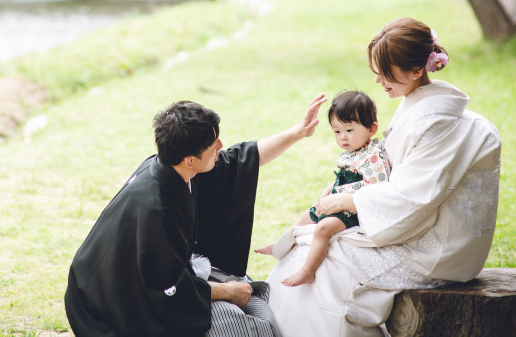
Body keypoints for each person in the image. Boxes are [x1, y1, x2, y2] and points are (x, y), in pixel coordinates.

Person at [265, 17, 501, 336]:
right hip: (408, 224)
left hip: (434, 247)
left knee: (324, 271)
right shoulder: (417, 107)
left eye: (385, 73)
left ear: (417, 71)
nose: (378, 81)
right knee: (305, 250)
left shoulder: (437, 123)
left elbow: (412, 198)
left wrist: (346, 200)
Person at [65, 94, 327, 337]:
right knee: (245, 326)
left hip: (139, 280)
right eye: (214, 144)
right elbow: (166, 288)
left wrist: (298, 132)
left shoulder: (175, 166)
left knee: (251, 296)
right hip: (106, 309)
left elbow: (243, 158)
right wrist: (227, 291)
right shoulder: (157, 208)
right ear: (190, 159)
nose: (221, 146)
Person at [256, 91, 389, 287]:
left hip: (354, 210)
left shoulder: (373, 156)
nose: (342, 138)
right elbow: (342, 179)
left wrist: (341, 197)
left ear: (371, 129)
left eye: (349, 130)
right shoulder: (352, 152)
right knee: (306, 216)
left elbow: (376, 188)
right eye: (337, 131)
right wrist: (329, 191)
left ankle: (308, 271)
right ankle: (282, 245)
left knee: (322, 229)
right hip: (339, 201)